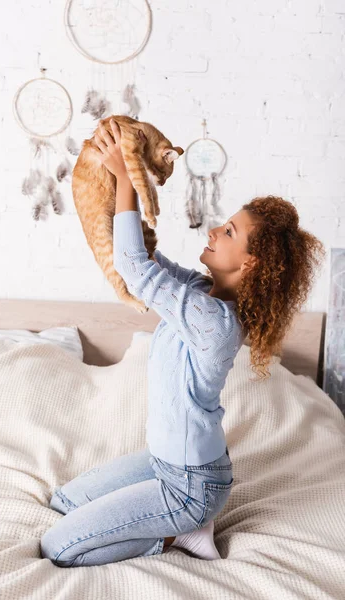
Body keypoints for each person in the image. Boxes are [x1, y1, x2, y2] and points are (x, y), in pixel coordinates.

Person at [40, 119, 325, 567]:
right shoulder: (199, 290)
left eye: (228, 232)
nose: (214, 231)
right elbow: (144, 259)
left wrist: (126, 178)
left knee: (59, 547)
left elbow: (136, 270)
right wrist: (116, 175)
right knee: (65, 501)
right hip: (162, 462)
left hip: (191, 487)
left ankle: (179, 536)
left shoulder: (214, 322)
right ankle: (174, 523)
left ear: (250, 262)